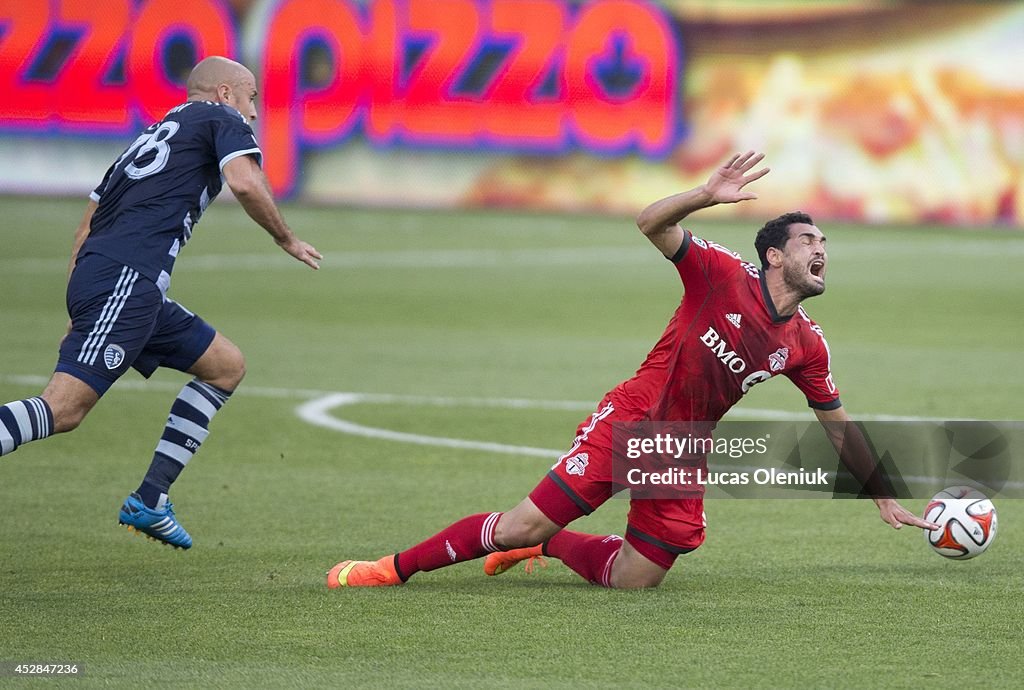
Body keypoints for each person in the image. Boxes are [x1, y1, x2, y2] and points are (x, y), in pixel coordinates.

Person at [326, 151, 937, 590]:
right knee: (517, 524)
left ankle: (553, 545)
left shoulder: (806, 344)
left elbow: (838, 428)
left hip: (678, 448)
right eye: (809, 241)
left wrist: (880, 493)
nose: (822, 249)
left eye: (825, 242)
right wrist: (703, 195)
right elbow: (650, 224)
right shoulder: (721, 275)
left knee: (635, 579)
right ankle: (391, 568)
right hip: (634, 416)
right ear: (775, 255)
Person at [0, 56, 321, 549]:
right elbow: (243, 180)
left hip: (122, 284)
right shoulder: (222, 118)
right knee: (63, 410)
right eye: (251, 97)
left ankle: (151, 499)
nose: (253, 113)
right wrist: (286, 237)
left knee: (225, 366)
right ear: (224, 92)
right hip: (127, 282)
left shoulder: (151, 135)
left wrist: (78, 306)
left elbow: (87, 223)